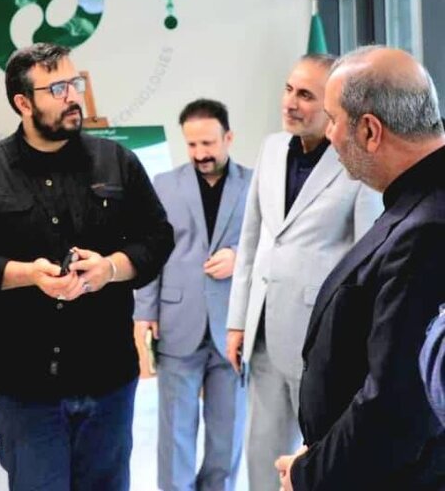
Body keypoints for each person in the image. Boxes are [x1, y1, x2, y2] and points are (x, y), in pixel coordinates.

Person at [0, 42, 175, 491]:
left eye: (74, 83)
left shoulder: (117, 163)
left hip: (107, 379)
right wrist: (27, 275)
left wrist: (111, 267)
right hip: (22, 387)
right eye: (57, 89)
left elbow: (158, 237)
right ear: (23, 103)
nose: (73, 97)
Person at [276, 45, 445, 490]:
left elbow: (397, 406)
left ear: (370, 130)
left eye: (333, 119)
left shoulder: (427, 231)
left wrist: (308, 475)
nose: (329, 134)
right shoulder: (420, 203)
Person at [225, 54, 382, 491]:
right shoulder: (272, 148)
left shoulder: (354, 161)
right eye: (289, 89)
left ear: (332, 105)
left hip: (322, 338)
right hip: (262, 332)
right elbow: (251, 241)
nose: (291, 103)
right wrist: (237, 322)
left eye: (306, 95)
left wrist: (358, 344)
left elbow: (367, 260)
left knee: (318, 456)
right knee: (261, 451)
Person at [135, 98, 251, 491]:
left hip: (234, 327)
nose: (200, 153)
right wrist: (145, 312)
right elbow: (151, 252)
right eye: (192, 144)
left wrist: (239, 257)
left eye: (208, 143)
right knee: (175, 435)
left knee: (227, 434)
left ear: (228, 138)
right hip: (177, 323)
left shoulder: (254, 185)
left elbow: (270, 244)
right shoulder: (164, 185)